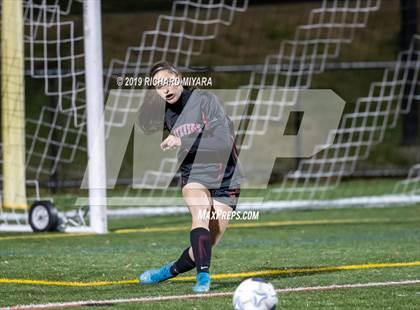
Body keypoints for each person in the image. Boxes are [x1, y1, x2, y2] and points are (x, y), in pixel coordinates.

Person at [138, 61, 243, 293]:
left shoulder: (205, 100)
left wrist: (182, 140)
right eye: (158, 87)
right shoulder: (164, 111)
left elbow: (223, 143)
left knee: (204, 247)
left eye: (168, 82)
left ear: (178, 78)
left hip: (227, 177)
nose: (165, 89)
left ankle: (170, 270)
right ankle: (203, 278)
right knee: (200, 214)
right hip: (195, 174)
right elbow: (143, 124)